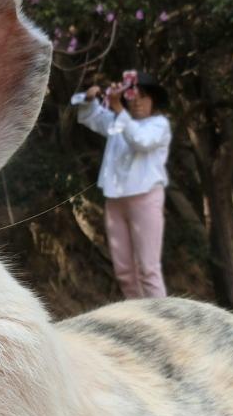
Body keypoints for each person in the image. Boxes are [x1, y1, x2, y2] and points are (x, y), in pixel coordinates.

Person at [70, 71, 171, 299]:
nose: (137, 102)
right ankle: (139, 316)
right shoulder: (118, 121)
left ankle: (165, 318)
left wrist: (118, 108)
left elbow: (141, 141)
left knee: (148, 270)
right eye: (133, 96)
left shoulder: (159, 124)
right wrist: (90, 99)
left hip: (145, 198)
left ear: (153, 100)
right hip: (115, 200)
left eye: (143, 96)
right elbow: (92, 118)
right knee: (124, 271)